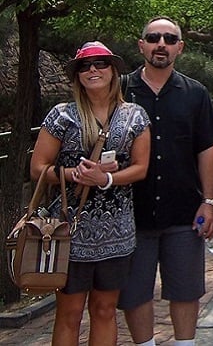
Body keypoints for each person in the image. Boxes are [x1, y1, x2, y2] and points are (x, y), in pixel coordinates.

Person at [29, 41, 151, 346]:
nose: (93, 70)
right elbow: (37, 168)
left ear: (113, 71)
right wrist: (75, 174)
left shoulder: (134, 116)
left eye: (100, 63)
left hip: (116, 232)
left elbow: (140, 167)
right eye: (85, 65)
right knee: (69, 313)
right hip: (70, 232)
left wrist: (106, 178)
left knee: (105, 309)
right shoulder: (62, 116)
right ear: (76, 76)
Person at [117, 17, 213, 346]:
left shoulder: (195, 93)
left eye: (169, 38)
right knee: (134, 292)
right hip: (130, 211)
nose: (160, 43)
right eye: (153, 37)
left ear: (180, 46)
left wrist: (209, 201)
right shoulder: (119, 90)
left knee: (186, 288)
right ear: (142, 45)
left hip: (183, 209)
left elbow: (207, 148)